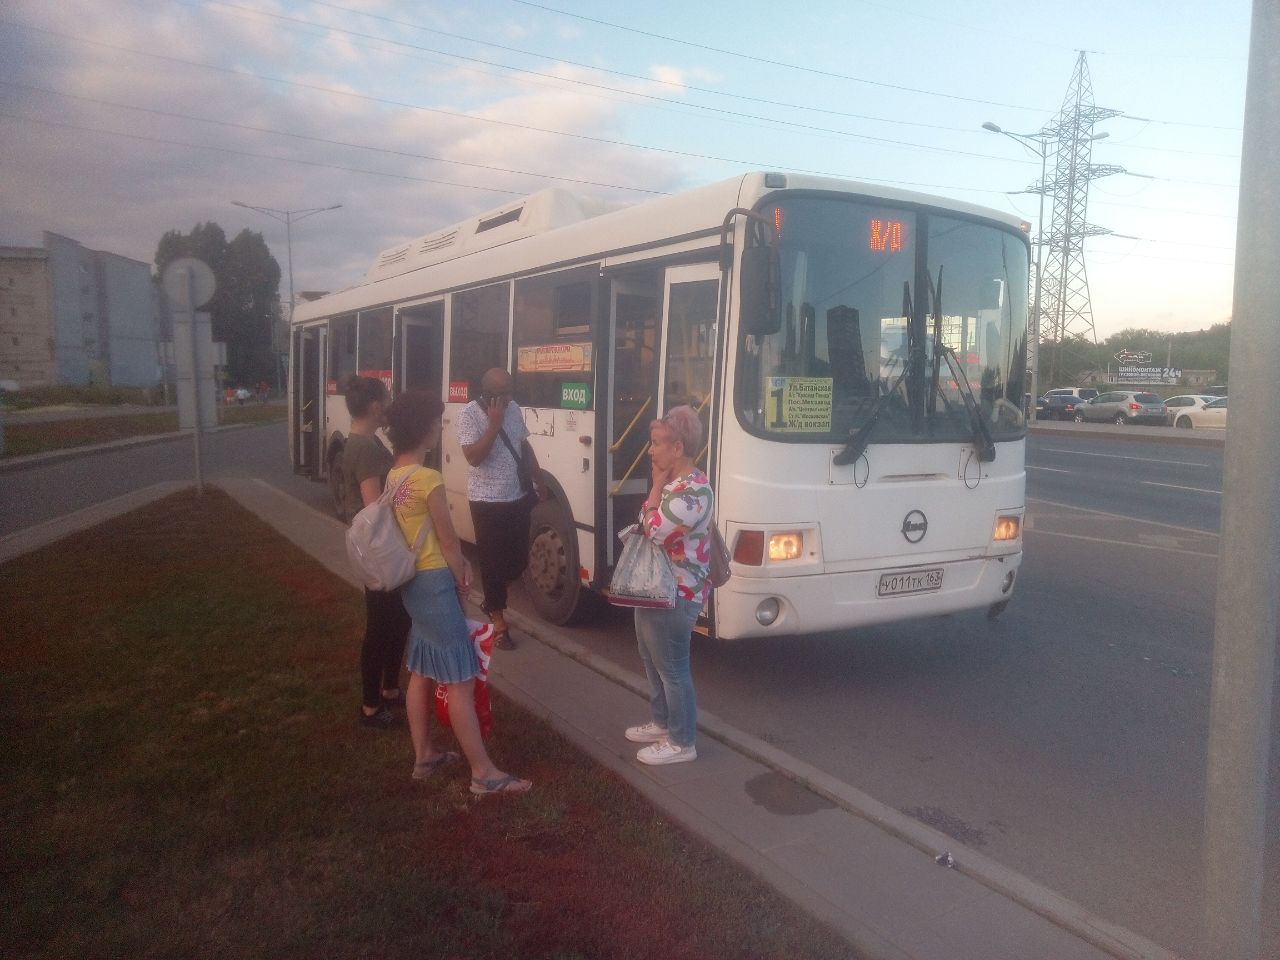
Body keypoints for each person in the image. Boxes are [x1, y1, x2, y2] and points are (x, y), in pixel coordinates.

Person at [385, 389, 531, 795]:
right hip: (434, 581)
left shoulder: (396, 476)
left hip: (413, 583)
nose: (439, 428)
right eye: (436, 422)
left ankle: (424, 756)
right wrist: (463, 578)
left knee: (421, 669)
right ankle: (483, 774)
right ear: (423, 429)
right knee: (462, 677)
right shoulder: (428, 479)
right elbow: (450, 543)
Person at [624, 405, 713, 765]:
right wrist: (656, 493)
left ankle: (682, 741)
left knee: (673, 668)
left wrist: (654, 496)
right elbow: (648, 518)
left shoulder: (694, 490)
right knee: (651, 659)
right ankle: (663, 724)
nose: (650, 450)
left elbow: (654, 529)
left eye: (656, 443)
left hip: (678, 593)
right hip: (655, 588)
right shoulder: (677, 485)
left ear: (677, 448)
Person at [455, 368, 547, 651]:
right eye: (503, 393)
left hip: (518, 495)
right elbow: (473, 458)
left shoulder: (514, 408)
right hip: (486, 501)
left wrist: (538, 477)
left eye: (510, 391)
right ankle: (498, 621)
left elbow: (522, 444)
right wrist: (493, 425)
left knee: (519, 560)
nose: (509, 397)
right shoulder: (469, 415)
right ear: (488, 394)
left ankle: (494, 599)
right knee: (492, 562)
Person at [341, 376, 410, 729]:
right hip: (377, 550)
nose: (388, 405)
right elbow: (374, 509)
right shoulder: (365, 448)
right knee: (381, 626)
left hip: (373, 548)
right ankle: (371, 706)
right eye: (385, 400)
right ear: (373, 407)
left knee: (397, 621)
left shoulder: (362, 441)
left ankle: (389, 689)